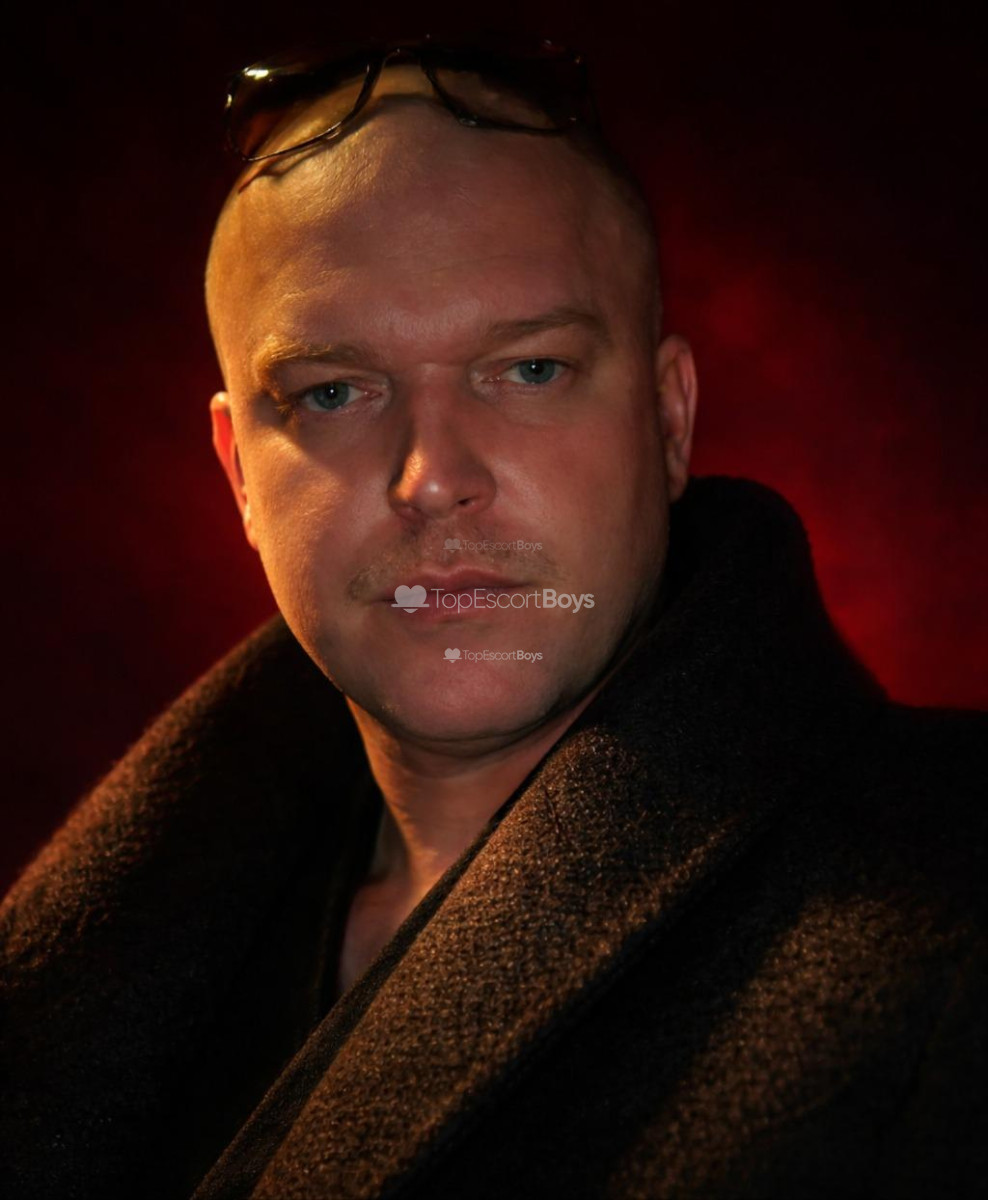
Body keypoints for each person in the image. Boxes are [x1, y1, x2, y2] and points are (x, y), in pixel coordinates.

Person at [1, 34, 984, 1200]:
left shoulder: (950, 897)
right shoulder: (110, 967)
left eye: (528, 371)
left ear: (668, 420)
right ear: (238, 481)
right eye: (333, 392)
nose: (432, 478)